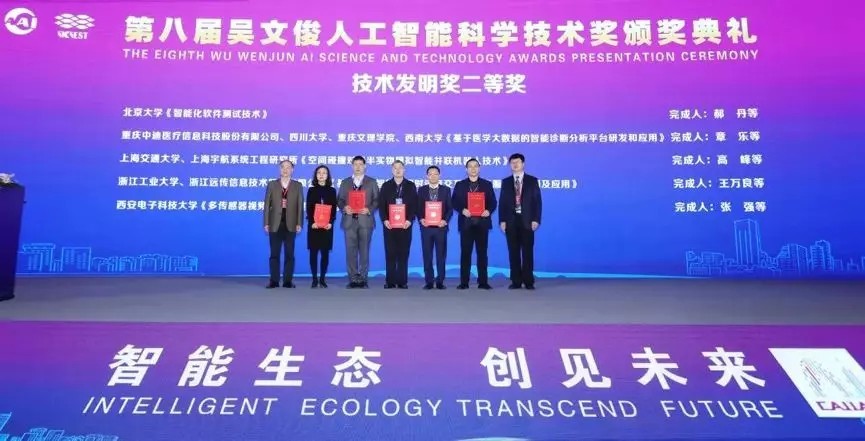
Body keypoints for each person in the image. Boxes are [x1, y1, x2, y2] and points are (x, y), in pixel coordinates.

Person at [451, 158, 497, 290]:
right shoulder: (460, 185)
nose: (473, 168)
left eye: (475, 166)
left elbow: (493, 202)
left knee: (482, 253)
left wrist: (488, 211)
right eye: (470, 166)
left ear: (479, 168)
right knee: (465, 253)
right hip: (466, 223)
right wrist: (462, 210)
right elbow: (454, 201)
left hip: (482, 223)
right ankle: (464, 282)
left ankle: (483, 281)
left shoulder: (487, 184)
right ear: (466, 169)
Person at [499, 153, 542, 290]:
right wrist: (502, 220)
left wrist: (536, 219)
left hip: (527, 221)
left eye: (517, 162)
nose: (515, 165)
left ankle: (528, 281)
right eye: (512, 163)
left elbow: (537, 202)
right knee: (513, 252)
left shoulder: (532, 181)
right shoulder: (506, 182)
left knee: (527, 252)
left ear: (523, 164)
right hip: (511, 221)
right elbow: (502, 203)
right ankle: (516, 281)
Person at [337, 156, 379, 288]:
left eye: (361, 164)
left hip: (365, 221)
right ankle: (353, 279)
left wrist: (369, 209)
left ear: (365, 166)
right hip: (349, 221)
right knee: (351, 252)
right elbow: (340, 200)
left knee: (364, 252)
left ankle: (363, 279)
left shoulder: (372, 182)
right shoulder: (345, 182)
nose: (358, 167)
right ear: (352, 166)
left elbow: (377, 200)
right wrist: (344, 208)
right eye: (355, 164)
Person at [263, 159, 303, 288]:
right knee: (274, 254)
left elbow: (300, 205)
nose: (285, 170)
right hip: (274, 223)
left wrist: (299, 223)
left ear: (292, 170)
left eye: (288, 167)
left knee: (289, 254)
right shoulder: (272, 184)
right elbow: (266, 205)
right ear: (279, 169)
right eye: (283, 167)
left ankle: (287, 281)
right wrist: (266, 222)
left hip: (291, 223)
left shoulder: (297, 185)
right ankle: (274, 281)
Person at [378, 160, 418, 289]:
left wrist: (409, 220)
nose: (398, 170)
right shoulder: (386, 186)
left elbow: (414, 205)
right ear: (392, 170)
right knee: (390, 253)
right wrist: (385, 220)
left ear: (404, 170)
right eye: (395, 168)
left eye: (400, 167)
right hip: (389, 225)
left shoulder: (410, 185)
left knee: (403, 253)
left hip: (405, 225)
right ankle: (390, 281)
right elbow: (381, 205)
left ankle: (402, 281)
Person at [417, 165, 452, 290]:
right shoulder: (421, 190)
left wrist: (445, 220)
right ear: (427, 176)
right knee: (427, 255)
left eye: (435, 174)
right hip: (426, 228)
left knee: (441, 255)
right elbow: (418, 208)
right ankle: (429, 281)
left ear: (439, 175)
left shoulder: (446, 190)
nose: (433, 176)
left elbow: (450, 209)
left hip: (440, 228)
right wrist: (421, 218)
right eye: (430, 174)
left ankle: (440, 281)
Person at [306, 165, 337, 288]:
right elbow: (309, 208)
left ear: (327, 176)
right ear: (316, 175)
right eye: (319, 172)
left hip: (327, 226)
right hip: (314, 226)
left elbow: (333, 208)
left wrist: (331, 222)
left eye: (324, 173)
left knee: (325, 254)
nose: (321, 175)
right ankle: (314, 279)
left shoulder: (332, 191)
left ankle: (322, 279)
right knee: (313, 253)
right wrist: (311, 222)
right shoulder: (311, 190)